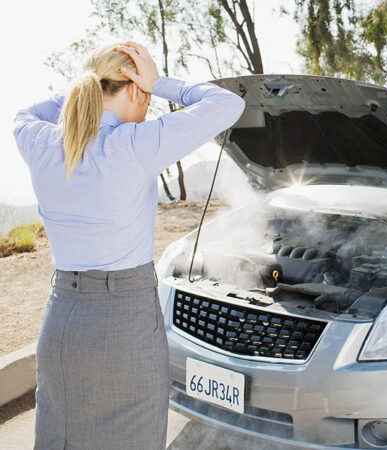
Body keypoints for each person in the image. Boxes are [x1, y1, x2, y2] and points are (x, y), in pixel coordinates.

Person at [12, 42, 245, 449]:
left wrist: (83, 87)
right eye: (148, 96)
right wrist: (161, 82)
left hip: (62, 320)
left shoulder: (42, 143)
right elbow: (226, 104)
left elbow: (22, 115)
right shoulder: (134, 144)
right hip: (125, 324)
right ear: (135, 89)